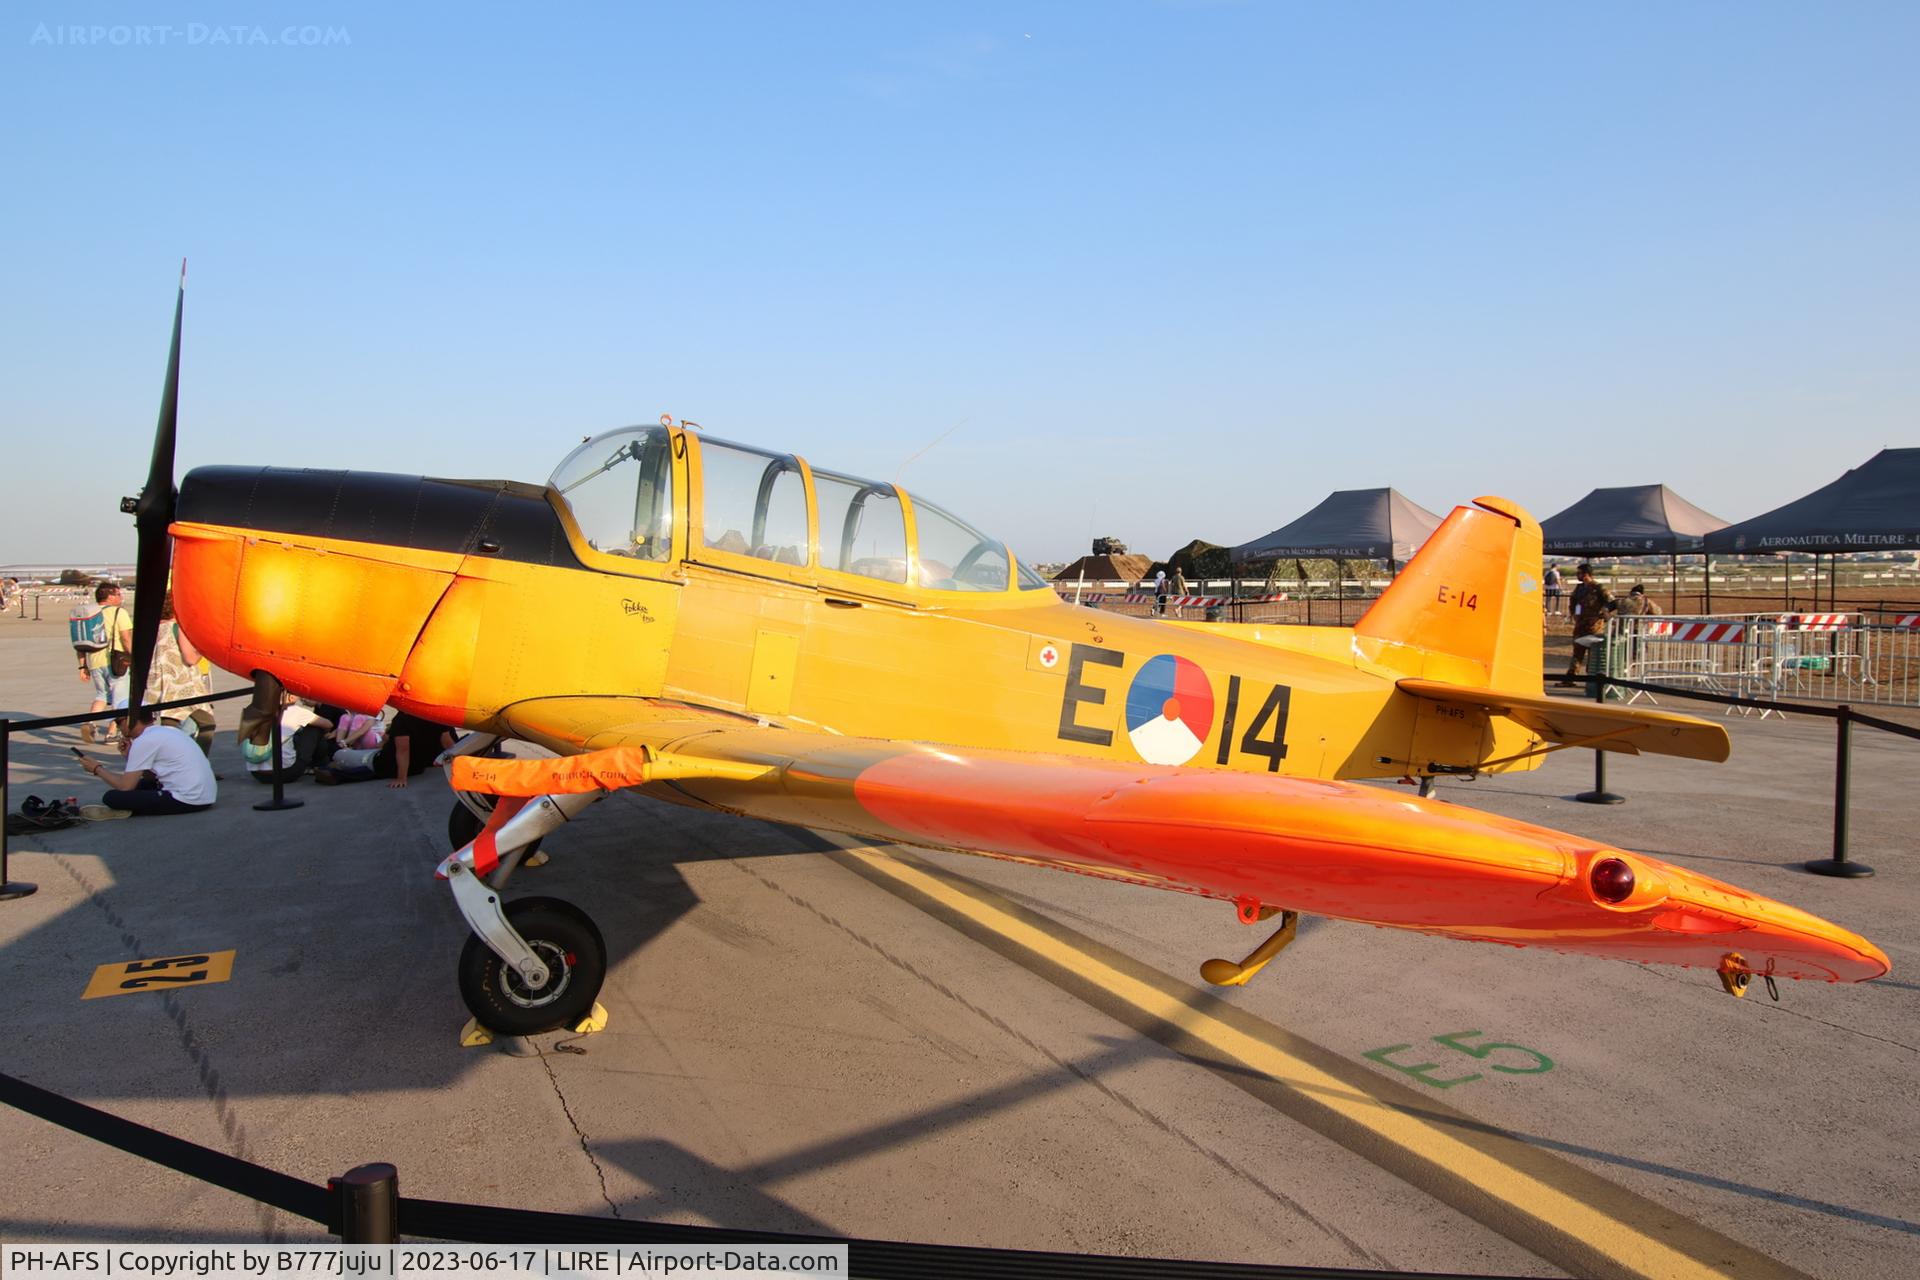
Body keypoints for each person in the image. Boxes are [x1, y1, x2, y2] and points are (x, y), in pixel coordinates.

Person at [75, 711, 217, 818]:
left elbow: (125, 786)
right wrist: (130, 756)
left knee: (112, 797)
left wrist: (96, 769)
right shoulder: (165, 731)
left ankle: (128, 810)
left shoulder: (145, 740)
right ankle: (134, 806)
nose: (118, 728)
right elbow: (150, 777)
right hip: (205, 795)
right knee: (140, 785)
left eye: (119, 723)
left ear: (130, 720)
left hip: (188, 799)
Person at [149, 593, 218, 769]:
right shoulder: (178, 627)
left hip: (163, 687)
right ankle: (197, 766)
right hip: (184, 686)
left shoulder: (154, 629)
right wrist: (205, 647)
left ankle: (171, 768)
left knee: (169, 729)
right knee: (207, 724)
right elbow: (190, 659)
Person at [314, 708, 455, 788]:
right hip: (418, 767)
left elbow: (403, 750)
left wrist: (402, 779)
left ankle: (333, 767)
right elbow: (448, 744)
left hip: (385, 763)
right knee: (367, 755)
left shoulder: (403, 719)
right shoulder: (435, 714)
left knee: (339, 755)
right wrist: (456, 766)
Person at [77, 582, 132, 743]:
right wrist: (134, 657)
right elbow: (126, 638)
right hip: (117, 662)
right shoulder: (119, 612)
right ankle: (112, 733)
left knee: (102, 695)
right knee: (119, 698)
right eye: (118, 594)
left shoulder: (89, 614)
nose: (121, 597)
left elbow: (80, 642)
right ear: (110, 596)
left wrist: (82, 665)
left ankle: (90, 722)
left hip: (94, 661)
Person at [239, 693, 334, 785]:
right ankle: (320, 765)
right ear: (290, 697)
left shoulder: (255, 710)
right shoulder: (295, 711)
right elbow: (328, 724)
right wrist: (326, 733)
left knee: (288, 736)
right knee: (314, 729)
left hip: (257, 774)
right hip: (286, 773)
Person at [1559, 563, 1616, 686]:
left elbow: (1612, 602)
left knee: (1593, 655)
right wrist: (1573, 613)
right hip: (1580, 625)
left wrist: (1603, 613)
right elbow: (1573, 602)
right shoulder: (1579, 588)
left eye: (1579, 573)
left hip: (1594, 627)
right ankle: (1570, 678)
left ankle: (1592, 682)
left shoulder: (1599, 588)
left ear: (1586, 574)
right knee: (1577, 653)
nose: (1577, 575)